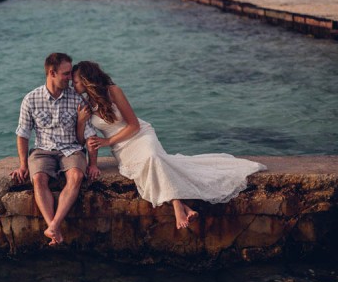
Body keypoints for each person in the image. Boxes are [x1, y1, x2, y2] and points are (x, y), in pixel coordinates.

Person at [72, 61, 267, 229]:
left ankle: (176, 206)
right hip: (122, 148)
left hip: (139, 135)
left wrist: (107, 141)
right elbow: (85, 140)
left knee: (152, 159)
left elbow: (134, 125)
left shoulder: (113, 91)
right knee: (149, 165)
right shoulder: (85, 105)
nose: (73, 84)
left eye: (76, 80)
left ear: (87, 79)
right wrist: (83, 129)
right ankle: (183, 206)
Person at [11, 53, 100, 245]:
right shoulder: (31, 99)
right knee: (38, 178)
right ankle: (53, 227)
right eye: (66, 74)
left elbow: (90, 135)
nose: (71, 78)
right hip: (43, 150)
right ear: (52, 73)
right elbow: (23, 134)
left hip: (72, 149)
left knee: (76, 176)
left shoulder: (77, 99)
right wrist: (22, 165)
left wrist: (93, 164)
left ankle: (53, 226)